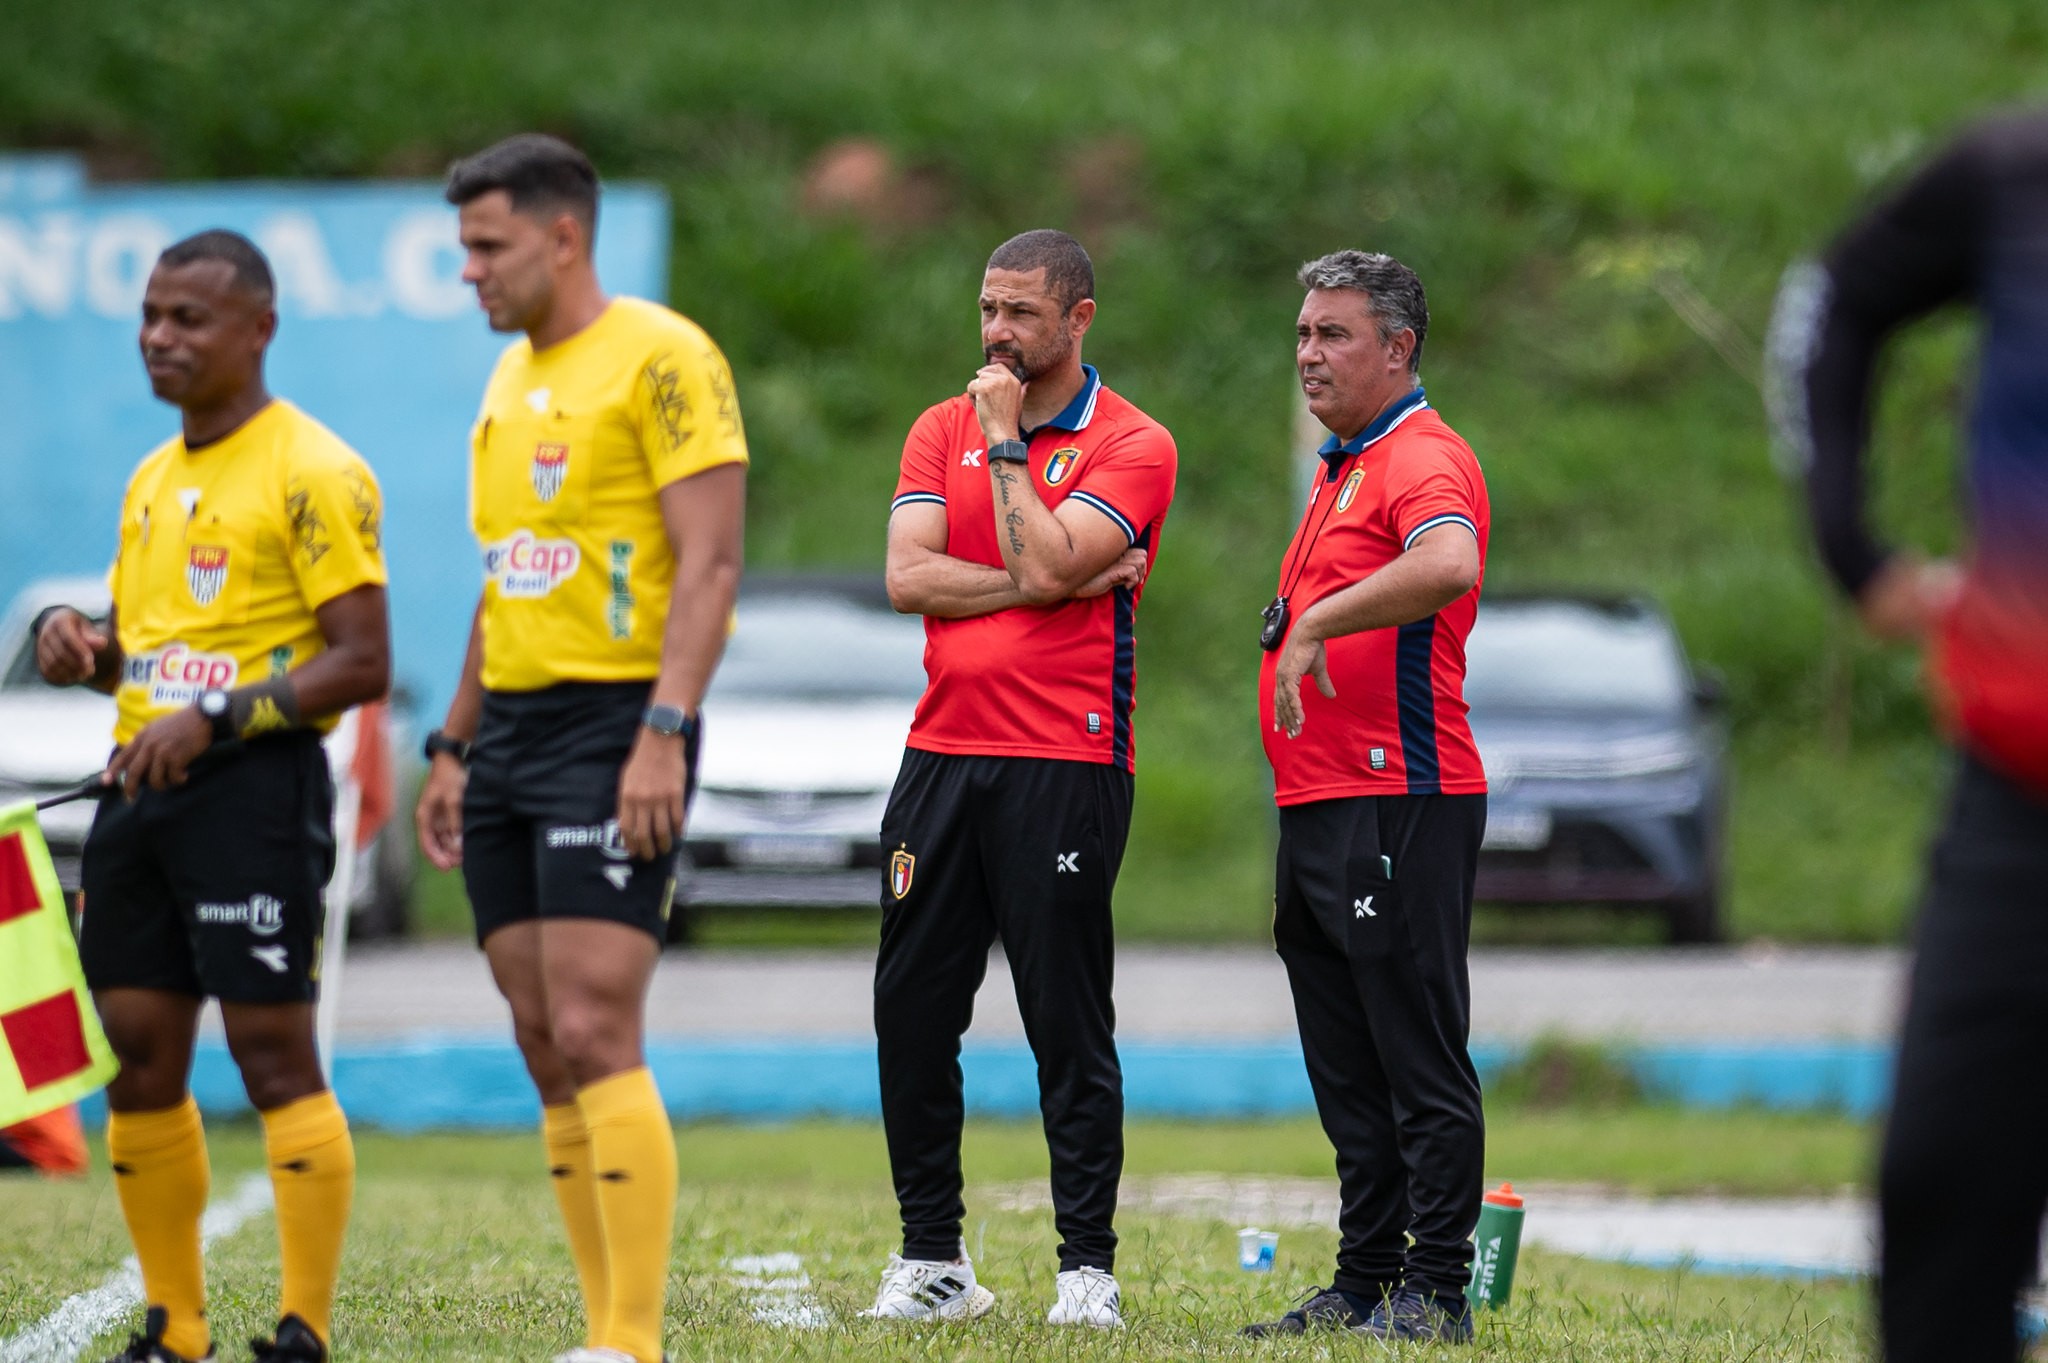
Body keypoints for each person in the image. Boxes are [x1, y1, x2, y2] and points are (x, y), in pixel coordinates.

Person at [413, 134, 747, 1363]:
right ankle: (600, 1326)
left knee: (600, 1021)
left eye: (486, 246)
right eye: (462, 250)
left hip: (617, 722)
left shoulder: (664, 356)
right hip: (506, 730)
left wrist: (664, 728)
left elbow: (709, 563)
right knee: (540, 1031)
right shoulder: (507, 383)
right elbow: (503, 585)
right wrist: (450, 742)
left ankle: (632, 1339)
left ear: (563, 236)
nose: (470, 272)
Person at [34, 230, 390, 1363]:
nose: (160, 337)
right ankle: (173, 1326)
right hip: (138, 794)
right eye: (151, 315)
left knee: (273, 1052)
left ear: (258, 330)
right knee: (138, 1053)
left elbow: (362, 659)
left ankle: (302, 1327)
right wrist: (77, 646)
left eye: (188, 318)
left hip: (253, 792)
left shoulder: (313, 469)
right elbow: (143, 653)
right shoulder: (152, 478)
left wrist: (222, 718)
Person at [1767, 110, 2048, 1363]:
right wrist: (1851, 546)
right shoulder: (2015, 174)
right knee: (1939, 1190)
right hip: (2021, 800)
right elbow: (1831, 300)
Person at [868, 228, 1176, 1329]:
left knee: (1063, 1016)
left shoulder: (1133, 441)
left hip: (1066, 762)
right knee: (909, 1010)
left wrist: (1008, 455)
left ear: (1077, 320)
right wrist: (1038, 582)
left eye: (1020, 314)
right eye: (987, 308)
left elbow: (1051, 558)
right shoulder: (933, 425)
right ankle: (930, 1258)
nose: (996, 332)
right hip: (941, 754)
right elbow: (908, 577)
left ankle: (1084, 1270)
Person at [1242, 251, 1489, 1345]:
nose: (1307, 353)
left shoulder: (1419, 456)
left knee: (1414, 1053)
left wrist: (1316, 620)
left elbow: (1447, 561)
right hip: (1318, 802)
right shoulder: (1344, 465)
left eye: (1332, 334)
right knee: (1344, 1059)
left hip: (1399, 802)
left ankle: (1435, 1288)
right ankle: (1361, 1278)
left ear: (1397, 349)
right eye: (1302, 333)